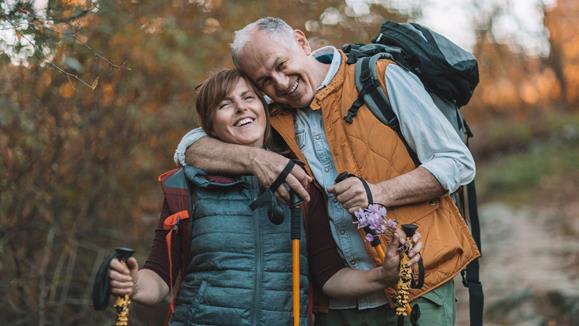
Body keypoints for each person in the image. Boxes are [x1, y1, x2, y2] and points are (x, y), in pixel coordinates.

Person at [174, 17, 480, 325]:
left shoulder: (379, 78)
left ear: (302, 42)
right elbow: (189, 147)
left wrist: (377, 192)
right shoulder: (272, 114)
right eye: (264, 81)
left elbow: (456, 161)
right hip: (335, 303)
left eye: (281, 64)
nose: (280, 83)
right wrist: (257, 160)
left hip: (414, 282)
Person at [109, 69, 422, 325]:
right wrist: (133, 283)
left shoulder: (304, 184)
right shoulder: (184, 188)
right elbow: (159, 278)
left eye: (249, 98)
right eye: (224, 104)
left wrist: (384, 275)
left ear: (264, 109)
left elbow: (330, 277)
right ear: (210, 125)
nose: (242, 107)